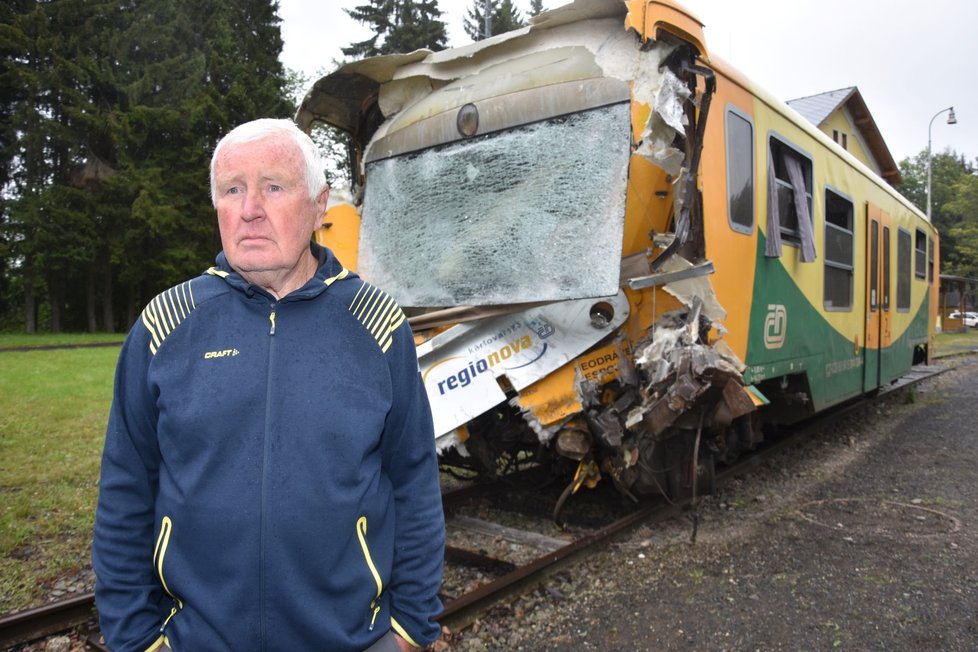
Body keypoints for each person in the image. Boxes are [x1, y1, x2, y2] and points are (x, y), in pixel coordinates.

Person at [92, 118, 445, 652]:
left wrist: (409, 629)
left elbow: (414, 481)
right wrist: (136, 638)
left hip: (353, 640)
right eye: (233, 190)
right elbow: (125, 490)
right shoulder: (166, 326)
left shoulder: (377, 325)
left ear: (319, 204)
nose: (249, 208)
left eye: (273, 187)